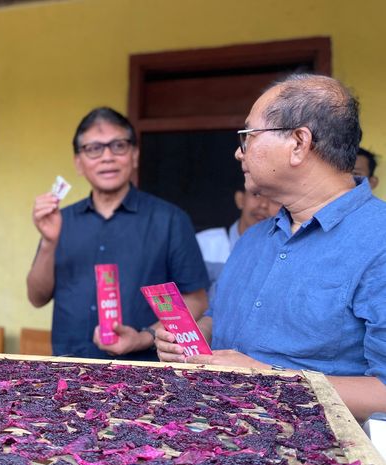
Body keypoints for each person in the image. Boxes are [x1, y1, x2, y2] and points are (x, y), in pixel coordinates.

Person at [156, 74, 386, 422]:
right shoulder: (253, 238)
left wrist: (269, 378)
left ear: (298, 143)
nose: (238, 152)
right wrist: (190, 336)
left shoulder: (378, 240)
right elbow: (218, 319)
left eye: (247, 136)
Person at [27, 107, 209, 361]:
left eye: (118, 146)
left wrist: (145, 336)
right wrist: (49, 242)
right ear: (78, 163)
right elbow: (37, 298)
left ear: (134, 155)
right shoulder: (60, 220)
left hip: (145, 376)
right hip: (68, 369)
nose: (107, 157)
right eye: (94, 149)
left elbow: (196, 300)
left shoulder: (170, 220)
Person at [196, 188, 281, 299]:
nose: (264, 204)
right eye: (256, 194)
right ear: (240, 199)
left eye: (274, 199)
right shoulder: (203, 243)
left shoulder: (284, 254)